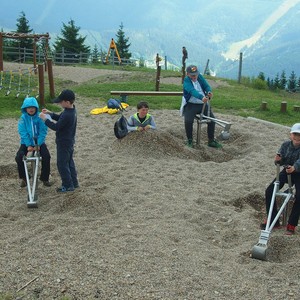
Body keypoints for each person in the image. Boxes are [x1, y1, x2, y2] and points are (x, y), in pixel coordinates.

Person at [261, 123, 300, 235]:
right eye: (295, 135)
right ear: (291, 135)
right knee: (269, 191)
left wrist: (295, 168)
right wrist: (278, 160)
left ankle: (292, 224)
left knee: (299, 196)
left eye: (299, 136)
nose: (297, 138)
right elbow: (280, 160)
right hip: (286, 170)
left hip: (298, 173)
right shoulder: (285, 145)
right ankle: (273, 220)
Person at [39, 89, 79, 193]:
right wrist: (50, 114)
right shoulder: (71, 110)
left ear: (67, 102)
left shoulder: (67, 114)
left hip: (63, 143)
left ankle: (67, 185)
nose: (59, 103)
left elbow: (56, 126)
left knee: (62, 164)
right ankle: (74, 182)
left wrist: (45, 119)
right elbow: (60, 118)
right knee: (69, 162)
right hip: (69, 141)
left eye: (61, 101)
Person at [181, 65, 222, 148]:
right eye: (192, 75)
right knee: (188, 121)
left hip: (202, 104)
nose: (195, 76)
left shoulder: (200, 77)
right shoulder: (186, 81)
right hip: (191, 104)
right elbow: (192, 91)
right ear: (187, 74)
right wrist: (201, 97)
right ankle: (190, 140)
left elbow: (206, 85)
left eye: (196, 74)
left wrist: (209, 91)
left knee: (211, 120)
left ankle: (211, 140)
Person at [15, 97, 52, 187]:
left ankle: (44, 178)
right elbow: (22, 132)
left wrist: (38, 144)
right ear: (25, 109)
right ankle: (25, 177)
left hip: (39, 142)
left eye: (33, 107)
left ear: (36, 108)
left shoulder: (40, 117)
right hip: (26, 142)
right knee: (19, 157)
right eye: (28, 107)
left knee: (46, 156)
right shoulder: (23, 118)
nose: (31, 109)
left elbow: (43, 131)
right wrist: (28, 145)